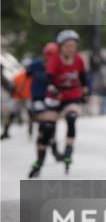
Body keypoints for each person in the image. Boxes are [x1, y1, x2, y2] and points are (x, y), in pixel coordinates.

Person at [44, 30, 89, 175]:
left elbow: (83, 77)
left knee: (71, 118)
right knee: (50, 126)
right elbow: (49, 77)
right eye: (67, 45)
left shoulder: (79, 59)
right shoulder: (55, 59)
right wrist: (51, 87)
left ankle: (69, 151)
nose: (70, 48)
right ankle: (54, 147)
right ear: (61, 46)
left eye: (73, 45)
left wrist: (86, 91)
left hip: (72, 93)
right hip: (57, 94)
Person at [27, 42, 60, 177]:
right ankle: (40, 160)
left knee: (51, 126)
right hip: (38, 98)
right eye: (48, 56)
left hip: (52, 99)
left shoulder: (58, 65)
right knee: (44, 127)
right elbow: (27, 74)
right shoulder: (36, 64)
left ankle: (54, 149)